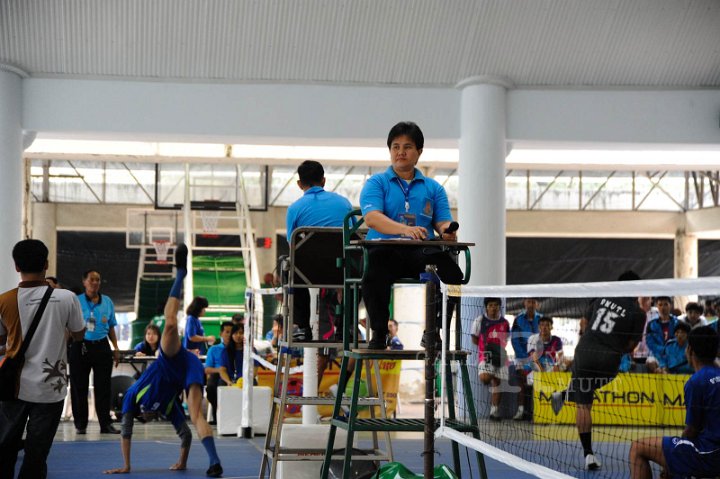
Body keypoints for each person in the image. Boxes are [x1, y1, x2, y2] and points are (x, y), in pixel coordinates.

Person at [104, 244, 223, 477]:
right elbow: (185, 435)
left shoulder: (132, 397)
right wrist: (182, 461)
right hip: (187, 368)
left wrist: (127, 465)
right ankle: (215, 463)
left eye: (145, 417)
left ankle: (181, 273)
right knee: (196, 415)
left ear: (141, 413)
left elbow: (125, 432)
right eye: (149, 418)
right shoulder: (168, 407)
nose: (148, 417)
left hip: (171, 361)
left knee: (169, 323)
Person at [360, 121, 462, 349]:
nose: (400, 152)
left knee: (454, 274)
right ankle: (378, 333)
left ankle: (433, 330)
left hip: (420, 252)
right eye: (395, 147)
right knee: (373, 272)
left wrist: (447, 232)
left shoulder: (433, 188)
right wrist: (405, 229)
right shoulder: (376, 183)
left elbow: (442, 221)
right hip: (385, 249)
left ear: (419, 152)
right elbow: (372, 218)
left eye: (407, 147)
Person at [0, 239, 85, 479]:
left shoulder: (4, 301)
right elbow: (79, 334)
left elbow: (1, 342)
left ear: (16, 266)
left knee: (5, 449)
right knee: (37, 455)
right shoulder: (67, 298)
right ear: (46, 264)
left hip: (12, 388)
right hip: (51, 388)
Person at [551, 270, 648, 470]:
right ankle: (564, 395)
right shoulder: (638, 313)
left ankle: (588, 455)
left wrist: (591, 340)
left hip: (586, 349)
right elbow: (631, 346)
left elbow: (584, 323)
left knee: (583, 402)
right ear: (636, 288)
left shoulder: (601, 296)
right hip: (609, 359)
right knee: (587, 392)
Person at [629, 326, 720, 479]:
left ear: (690, 350)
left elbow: (692, 430)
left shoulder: (697, 382)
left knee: (637, 447)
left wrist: (672, 462)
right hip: (714, 449)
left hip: (709, 454)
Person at [286, 159, 353, 342]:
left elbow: (292, 243)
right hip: (342, 269)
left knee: (289, 269)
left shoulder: (295, 209)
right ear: (323, 181)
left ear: (300, 184)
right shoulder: (344, 204)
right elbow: (355, 237)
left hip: (308, 272)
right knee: (357, 273)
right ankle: (346, 327)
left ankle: (302, 327)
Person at [69, 269, 122, 434]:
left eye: (98, 279)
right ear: (84, 282)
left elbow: (111, 326)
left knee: (103, 387)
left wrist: (116, 348)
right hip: (80, 346)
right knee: (79, 387)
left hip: (102, 346)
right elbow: (67, 326)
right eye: (92, 279)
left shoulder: (107, 302)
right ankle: (80, 424)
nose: (95, 282)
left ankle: (105, 424)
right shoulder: (75, 301)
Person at [471, 297, 510, 421]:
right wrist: (485, 348)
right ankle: (490, 373)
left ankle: (494, 412)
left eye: (496, 305)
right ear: (486, 307)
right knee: (485, 378)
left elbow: (506, 338)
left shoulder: (505, 322)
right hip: (486, 355)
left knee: (498, 384)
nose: (493, 307)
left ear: (499, 307)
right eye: (491, 305)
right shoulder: (480, 320)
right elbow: (474, 338)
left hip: (501, 355)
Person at [510, 298, 541, 421]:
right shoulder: (518, 319)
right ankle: (521, 410)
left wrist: (536, 358)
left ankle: (537, 411)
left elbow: (544, 341)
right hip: (522, 357)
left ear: (537, 304)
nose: (531, 304)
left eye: (533, 302)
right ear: (525, 303)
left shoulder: (541, 320)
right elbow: (515, 340)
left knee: (540, 379)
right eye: (529, 301)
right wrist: (526, 357)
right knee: (522, 379)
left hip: (538, 358)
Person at [204, 321, 234, 424]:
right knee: (211, 385)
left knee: (222, 383)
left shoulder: (237, 349)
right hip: (217, 374)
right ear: (221, 334)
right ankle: (217, 414)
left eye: (231, 332)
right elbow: (207, 369)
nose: (229, 335)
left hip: (232, 374)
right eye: (227, 332)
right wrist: (219, 370)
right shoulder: (214, 349)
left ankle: (223, 417)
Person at [645, 296, 678, 373]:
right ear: (657, 306)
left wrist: (668, 351)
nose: (663, 307)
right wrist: (663, 350)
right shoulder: (651, 324)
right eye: (660, 305)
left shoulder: (677, 323)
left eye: (666, 304)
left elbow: (678, 341)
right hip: (657, 354)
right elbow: (650, 343)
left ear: (670, 305)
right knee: (650, 362)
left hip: (673, 354)